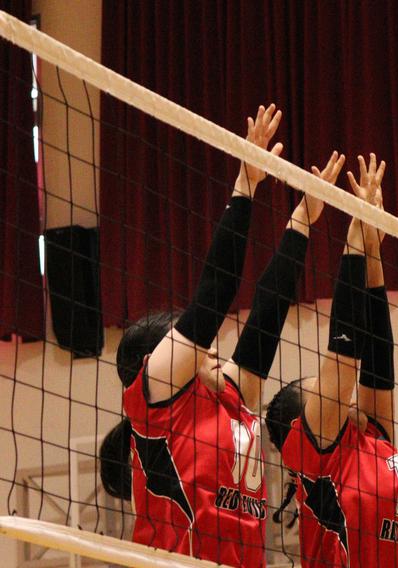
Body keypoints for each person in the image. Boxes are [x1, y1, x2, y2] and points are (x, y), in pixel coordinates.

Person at [98, 102, 347, 567]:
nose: (210, 344)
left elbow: (267, 318)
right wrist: (245, 186)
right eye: (192, 339)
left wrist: (301, 223)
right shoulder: (157, 398)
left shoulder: (235, 396)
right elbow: (214, 294)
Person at [265, 153, 398, 568]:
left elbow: (377, 355)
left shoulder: (372, 438)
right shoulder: (317, 460)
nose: (340, 396)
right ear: (301, 426)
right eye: (318, 393)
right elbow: (345, 352)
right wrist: (354, 231)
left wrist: (371, 246)